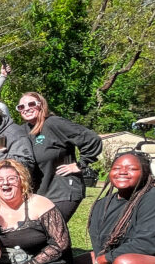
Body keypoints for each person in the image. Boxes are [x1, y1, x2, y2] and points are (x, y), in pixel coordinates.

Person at [17, 92, 103, 220]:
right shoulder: (23, 131)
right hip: (40, 193)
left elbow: (91, 139)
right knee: (41, 235)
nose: (26, 108)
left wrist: (81, 164)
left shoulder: (53, 123)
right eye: (21, 107)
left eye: (31, 104)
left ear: (41, 105)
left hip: (63, 190)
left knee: (51, 232)